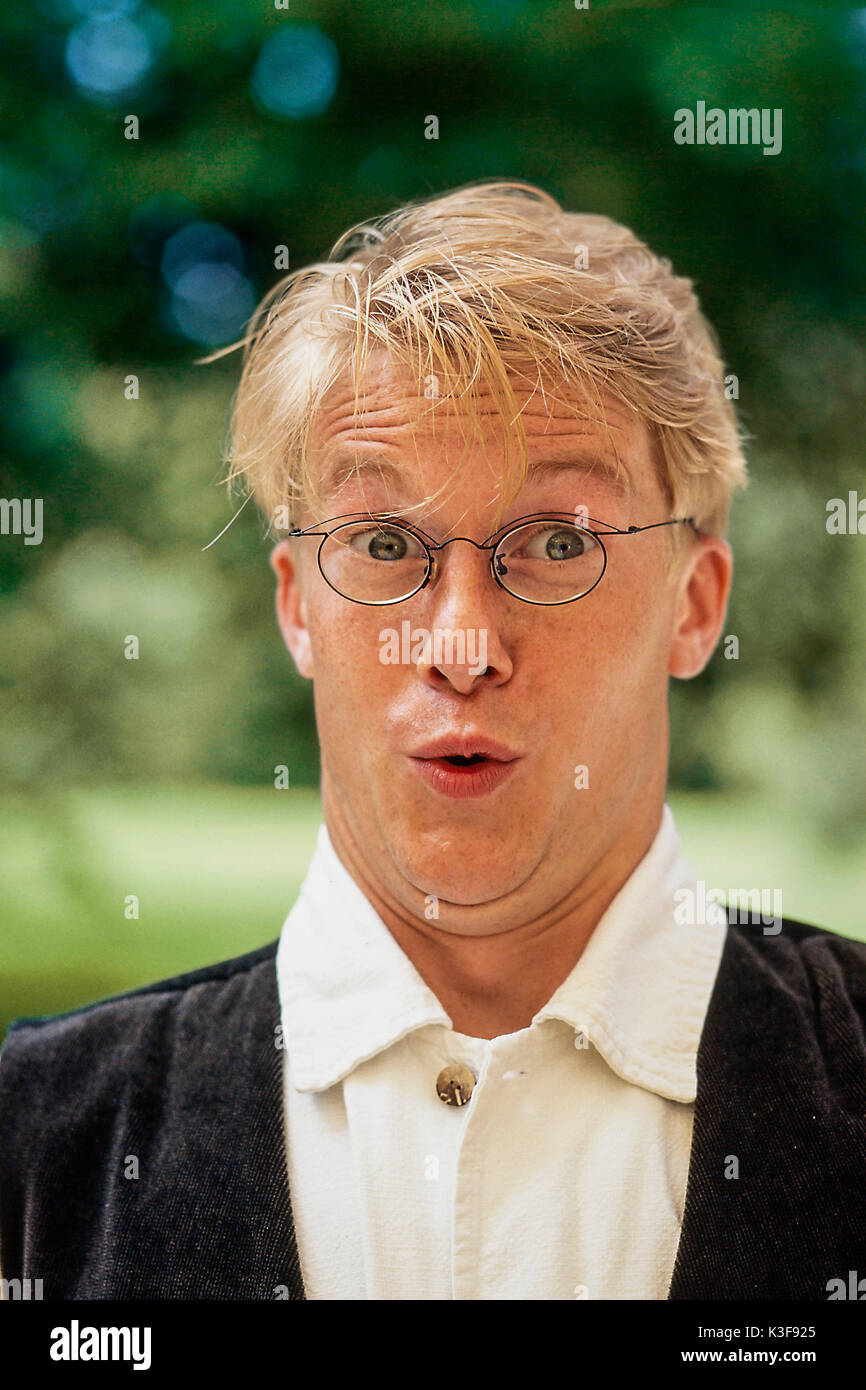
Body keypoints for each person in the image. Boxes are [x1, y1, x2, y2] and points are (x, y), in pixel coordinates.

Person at [2, 180, 865, 1301]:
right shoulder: (37, 1142)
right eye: (380, 541)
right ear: (296, 605)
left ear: (693, 606)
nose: (459, 643)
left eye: (556, 540)